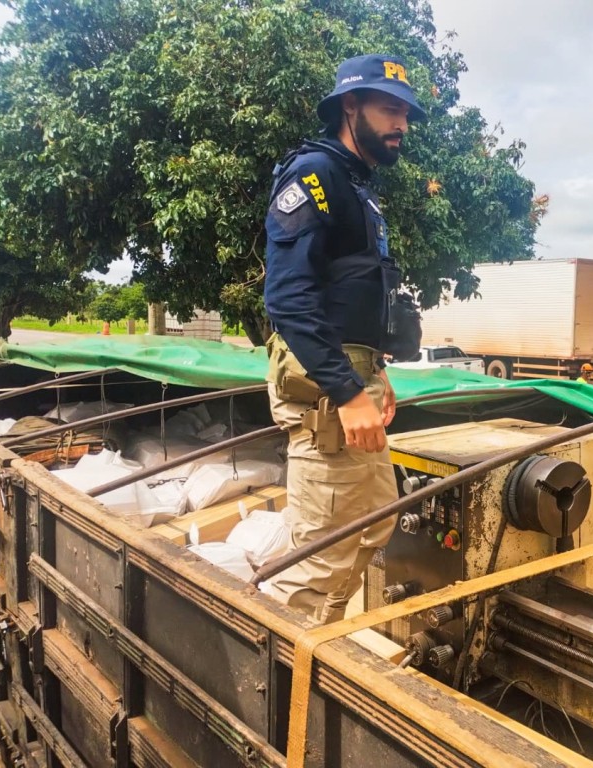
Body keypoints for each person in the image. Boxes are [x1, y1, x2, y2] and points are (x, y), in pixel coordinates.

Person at [263, 54, 425, 624]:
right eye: (388, 109)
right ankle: (279, 685)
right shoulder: (315, 177)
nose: (400, 124)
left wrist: (377, 376)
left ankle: (318, 647)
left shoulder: (359, 188)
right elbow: (288, 300)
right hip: (328, 401)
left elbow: (353, 299)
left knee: (374, 520)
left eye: (404, 113)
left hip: (356, 385)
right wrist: (349, 393)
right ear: (349, 107)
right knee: (319, 558)